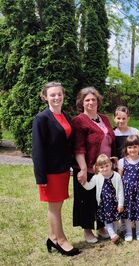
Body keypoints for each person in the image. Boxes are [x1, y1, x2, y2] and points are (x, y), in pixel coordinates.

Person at [32, 82, 80, 256]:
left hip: (63, 169)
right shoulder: (42, 118)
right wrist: (41, 178)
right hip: (50, 172)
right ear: (45, 97)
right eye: (52, 95)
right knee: (55, 207)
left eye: (59, 94)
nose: (56, 97)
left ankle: (52, 237)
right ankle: (61, 241)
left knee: (57, 205)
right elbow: (37, 150)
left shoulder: (65, 116)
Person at [72, 87, 116, 243]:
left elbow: (111, 139)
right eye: (87, 100)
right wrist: (83, 169)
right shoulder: (79, 121)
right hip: (88, 167)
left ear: (98, 101)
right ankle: (87, 230)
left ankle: (102, 227)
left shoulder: (104, 118)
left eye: (93, 99)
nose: (91, 102)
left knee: (104, 199)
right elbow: (78, 147)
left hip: (105, 168)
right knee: (88, 200)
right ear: (82, 103)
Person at [82, 154, 124, 244]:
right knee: (107, 219)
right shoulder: (97, 177)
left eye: (106, 166)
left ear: (111, 165)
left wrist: (120, 204)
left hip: (114, 202)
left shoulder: (116, 176)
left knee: (115, 219)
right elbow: (89, 186)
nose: (104, 169)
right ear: (97, 168)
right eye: (101, 167)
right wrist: (83, 183)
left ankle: (115, 232)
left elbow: (120, 191)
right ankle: (112, 234)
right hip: (104, 204)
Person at [118, 135, 139, 241]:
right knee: (127, 212)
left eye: (135, 147)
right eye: (130, 147)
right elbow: (119, 178)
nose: (132, 149)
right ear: (126, 149)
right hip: (127, 192)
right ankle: (128, 231)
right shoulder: (122, 161)